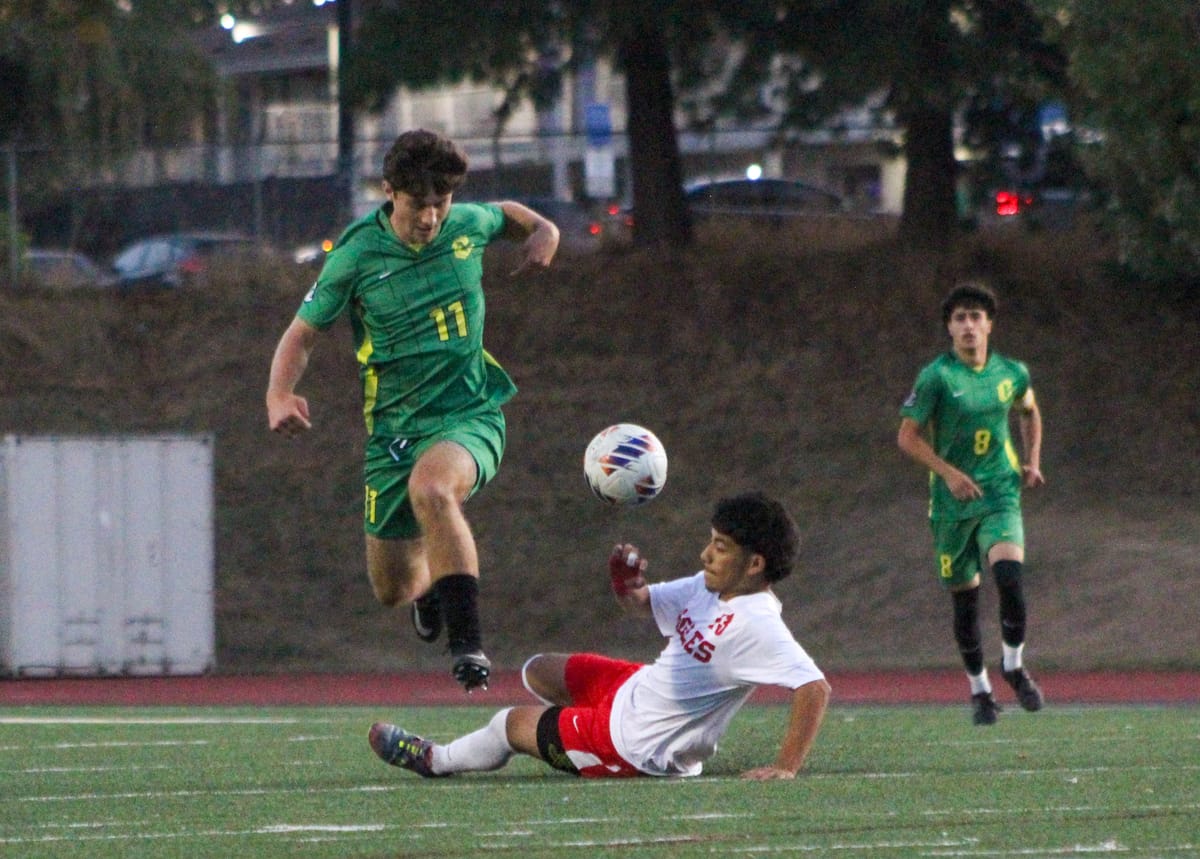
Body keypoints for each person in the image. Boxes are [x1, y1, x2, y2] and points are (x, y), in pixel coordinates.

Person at [266, 129, 560, 692]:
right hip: (393, 435)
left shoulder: (466, 225)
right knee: (393, 588)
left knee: (434, 489)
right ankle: (428, 590)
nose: (429, 218)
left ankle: (468, 644)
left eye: (440, 204)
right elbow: (301, 335)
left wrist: (544, 229)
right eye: (416, 204)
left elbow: (506, 214)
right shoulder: (355, 255)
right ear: (388, 191)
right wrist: (278, 394)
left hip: (469, 415)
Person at [368, 492, 831, 780]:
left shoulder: (758, 622)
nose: (706, 553)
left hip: (634, 746)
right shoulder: (712, 585)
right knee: (540, 669)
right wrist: (624, 583)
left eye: (721, 548)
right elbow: (639, 601)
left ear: (755, 565)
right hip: (634, 690)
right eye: (711, 540)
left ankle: (435, 759)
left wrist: (785, 767)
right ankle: (563, 739)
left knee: (507, 725)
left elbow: (814, 688)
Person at [897, 281, 1046, 725]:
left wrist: (1032, 460)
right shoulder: (937, 377)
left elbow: (1029, 410)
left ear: (989, 325)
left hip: (1000, 492)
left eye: (975, 317)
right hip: (951, 505)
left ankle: (1014, 665)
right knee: (966, 603)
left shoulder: (1012, 373)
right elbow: (907, 436)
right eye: (959, 318)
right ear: (949, 327)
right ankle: (980, 690)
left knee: (1010, 578)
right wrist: (949, 473)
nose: (968, 326)